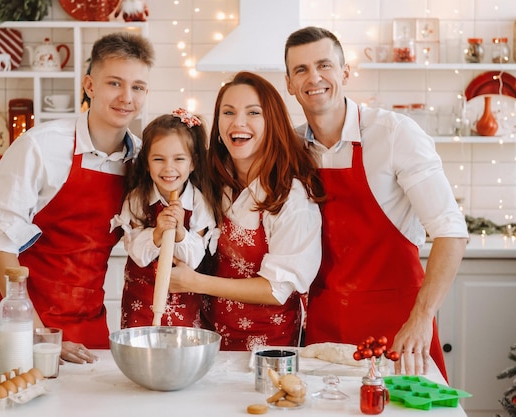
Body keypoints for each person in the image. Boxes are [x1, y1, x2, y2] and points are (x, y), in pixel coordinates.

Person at [284, 26, 468, 378]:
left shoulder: (395, 134)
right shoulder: (291, 148)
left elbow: (451, 232)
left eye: (324, 65)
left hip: (398, 327)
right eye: (301, 70)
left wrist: (421, 319)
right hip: (324, 329)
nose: (314, 78)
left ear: (345, 72)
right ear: (290, 84)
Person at [0, 32, 155, 363]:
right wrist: (40, 337)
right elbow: (2, 250)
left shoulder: (143, 161)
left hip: (89, 330)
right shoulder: (40, 147)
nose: (126, 97)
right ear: (90, 86)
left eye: (138, 87)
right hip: (20, 328)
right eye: (114, 83)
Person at [169, 71, 326, 350]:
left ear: (273, 122)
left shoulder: (291, 197)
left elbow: (275, 289)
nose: (238, 122)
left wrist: (196, 282)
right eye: (227, 112)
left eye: (253, 112)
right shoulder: (212, 179)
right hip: (207, 336)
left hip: (267, 345)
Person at [110, 109, 216, 328]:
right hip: (141, 304)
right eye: (159, 159)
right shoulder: (137, 199)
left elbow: (195, 258)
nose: (169, 168)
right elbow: (137, 254)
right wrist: (157, 234)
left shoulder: (199, 203)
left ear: (193, 163)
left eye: (179, 159)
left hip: (184, 306)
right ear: (147, 163)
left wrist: (179, 234)